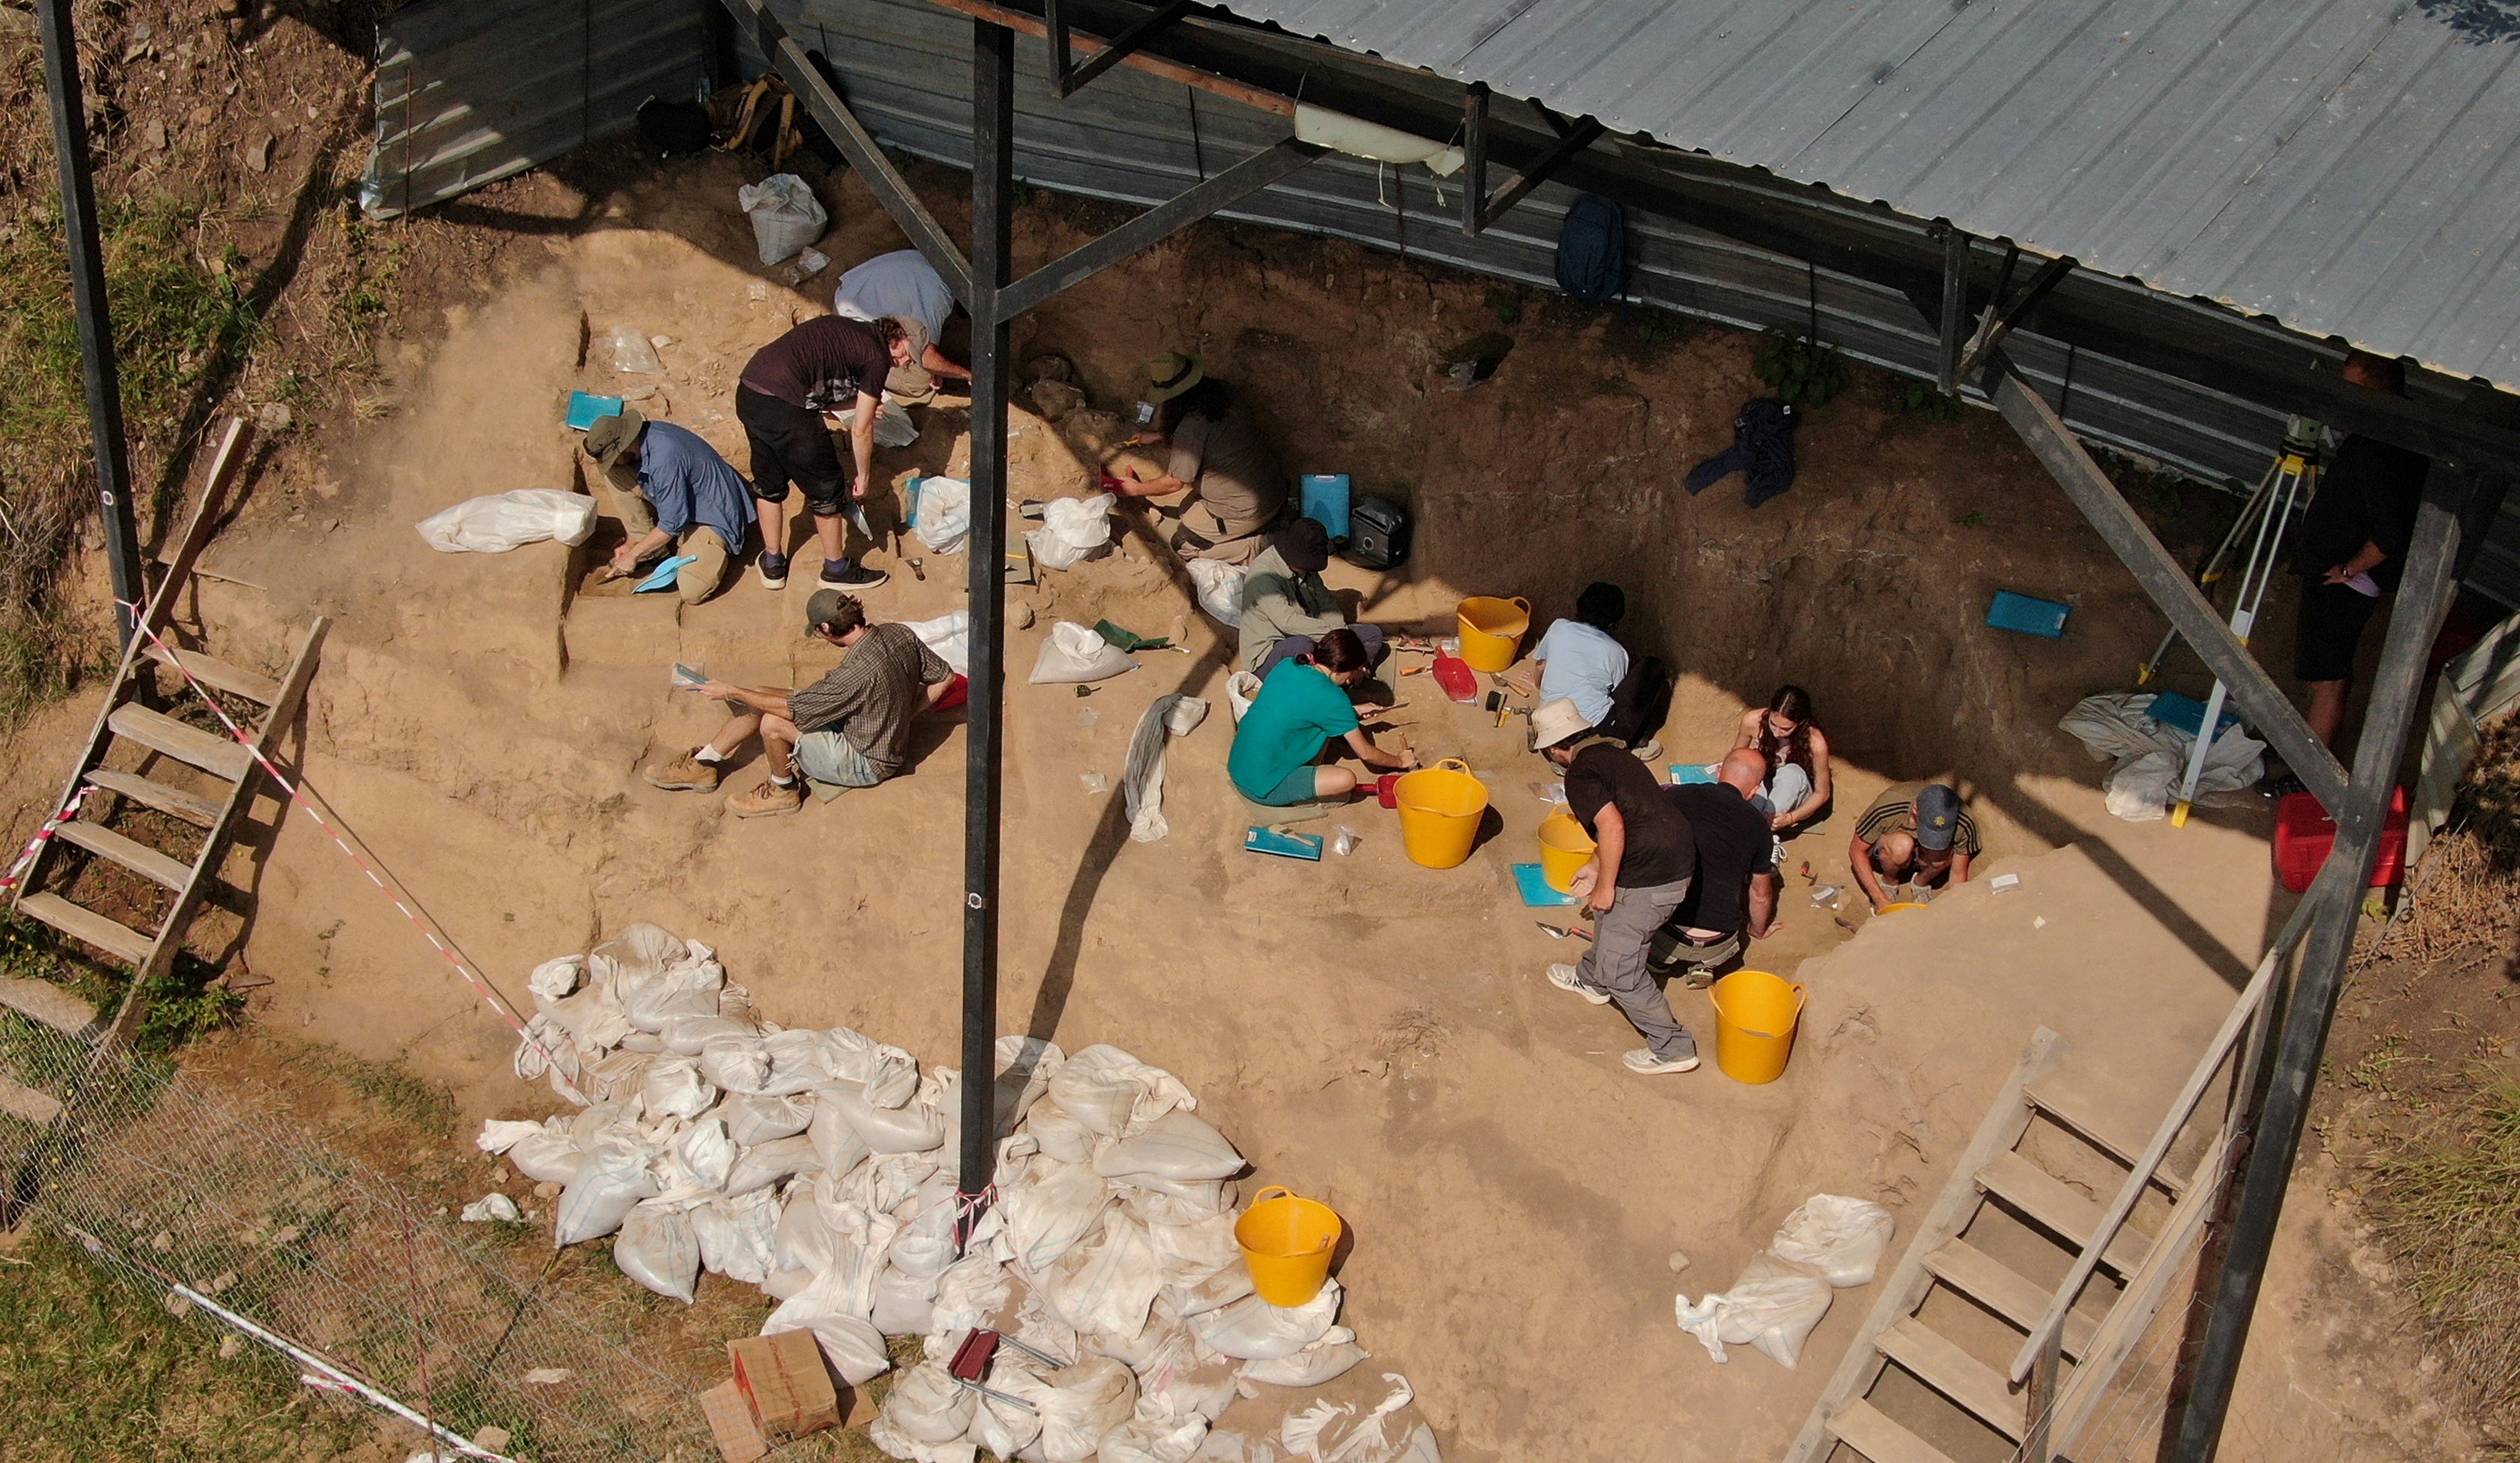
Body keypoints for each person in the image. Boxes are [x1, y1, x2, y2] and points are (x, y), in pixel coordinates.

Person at [644, 590, 954, 817]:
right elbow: (945, 677)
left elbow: (793, 711)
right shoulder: (898, 633)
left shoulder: (853, 676)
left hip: (866, 760)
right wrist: (905, 715)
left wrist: (730, 691)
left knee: (773, 723)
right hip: (864, 728)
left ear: (827, 628)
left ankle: (783, 790)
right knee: (763, 693)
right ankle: (706, 763)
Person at [1530, 697, 1703, 1075]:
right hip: (1673, 854)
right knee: (1611, 918)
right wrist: (1596, 867)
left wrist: (1605, 885)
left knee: (1622, 967)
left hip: (1654, 874)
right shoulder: (1617, 755)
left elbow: (1612, 826)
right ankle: (1592, 980)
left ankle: (1673, 1047)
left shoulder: (1579, 774)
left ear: (1557, 748)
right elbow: (1631, 812)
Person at [2287, 349, 2432, 754]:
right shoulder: (2394, 432)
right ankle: (2308, 748)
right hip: (2338, 573)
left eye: (2353, 389)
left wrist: (2349, 571)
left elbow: (2391, 534)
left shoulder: (2382, 448)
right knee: (2326, 674)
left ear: (2375, 393)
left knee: (2327, 679)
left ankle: (2310, 771)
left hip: (2343, 581)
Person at [736, 314, 918, 592]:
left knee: (769, 481)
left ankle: (773, 564)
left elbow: (818, 385)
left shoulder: (851, 333)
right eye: (909, 355)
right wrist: (863, 475)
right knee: (827, 487)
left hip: (751, 392)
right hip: (785, 406)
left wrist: (857, 403)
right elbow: (862, 428)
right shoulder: (876, 357)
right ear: (897, 339)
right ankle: (836, 570)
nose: (907, 363)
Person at [1103, 352, 1288, 564]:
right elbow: (1214, 435)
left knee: (1183, 545)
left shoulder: (1191, 429)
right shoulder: (1222, 392)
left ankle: (1261, 546)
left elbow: (1174, 483)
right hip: (1271, 488)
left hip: (1245, 509)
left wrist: (1136, 489)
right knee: (1184, 511)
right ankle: (1263, 523)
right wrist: (1159, 436)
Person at [582, 409, 751, 604]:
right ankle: (651, 549)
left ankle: (689, 550)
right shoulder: (644, 443)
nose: (613, 463)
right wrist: (631, 543)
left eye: (613, 457)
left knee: (692, 591)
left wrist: (634, 555)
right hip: (684, 501)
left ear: (624, 446)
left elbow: (672, 524)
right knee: (614, 474)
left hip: (712, 514)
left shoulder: (664, 457)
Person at [1227, 628, 1413, 805]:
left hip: (1239, 766)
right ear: (1340, 669)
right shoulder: (1334, 698)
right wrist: (1401, 760)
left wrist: (1351, 711)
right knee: (1345, 780)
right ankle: (1303, 786)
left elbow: (1299, 707)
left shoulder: (1288, 665)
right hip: (1263, 786)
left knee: (1321, 728)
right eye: (1354, 671)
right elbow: (1366, 753)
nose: (1352, 679)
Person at [1652, 748, 1781, 982]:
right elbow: (1761, 894)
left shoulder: (1678, 796)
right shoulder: (1759, 828)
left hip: (1666, 931)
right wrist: (1757, 931)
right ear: (1753, 791)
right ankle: (1704, 965)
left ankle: (1658, 958)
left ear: (1719, 772)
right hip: (1719, 942)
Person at [1529, 583, 1670, 754]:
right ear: (1613, 622)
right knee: (1652, 667)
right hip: (1596, 734)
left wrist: (1538, 684)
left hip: (1549, 739)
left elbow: (1541, 665)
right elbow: (1620, 696)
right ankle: (1634, 742)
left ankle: (1568, 755)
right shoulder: (1616, 651)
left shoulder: (1559, 628)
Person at [1239, 517, 1385, 674]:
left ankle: (1350, 672)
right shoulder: (1263, 577)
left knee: (1372, 634)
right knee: (1303, 646)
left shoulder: (1306, 568)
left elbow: (1326, 604)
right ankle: (1334, 678)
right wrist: (1330, 636)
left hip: (1315, 635)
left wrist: (1341, 636)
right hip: (1273, 651)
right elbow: (1288, 622)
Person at [831, 247, 971, 406]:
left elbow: (925, 352)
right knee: (919, 382)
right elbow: (929, 360)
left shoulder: (936, 266)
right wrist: (968, 375)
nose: (903, 362)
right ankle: (860, 370)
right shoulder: (936, 301)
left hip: (857, 289)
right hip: (851, 317)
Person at [1848, 781, 1979, 911]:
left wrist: (1957, 910)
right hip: (1892, 849)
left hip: (1926, 857)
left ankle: (1921, 883)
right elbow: (1856, 851)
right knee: (1901, 846)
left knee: (1941, 855)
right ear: (1915, 810)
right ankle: (1889, 882)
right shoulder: (1888, 808)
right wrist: (1879, 898)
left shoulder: (1964, 823)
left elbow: (1958, 873)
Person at [1735, 685, 1833, 834]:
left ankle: (1760, 828)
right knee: (1751, 765)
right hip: (1764, 780)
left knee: (1791, 773)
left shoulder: (1815, 743)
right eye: (1773, 724)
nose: (1777, 732)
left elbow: (1822, 793)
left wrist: (1790, 818)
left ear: (1800, 723)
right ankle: (1758, 826)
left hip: (1795, 791)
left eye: (1786, 729)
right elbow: (1737, 758)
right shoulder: (1752, 721)